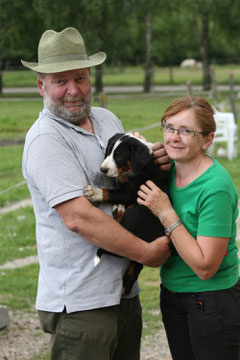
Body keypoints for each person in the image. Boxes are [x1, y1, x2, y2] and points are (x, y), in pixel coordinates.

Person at [21, 27, 171, 360]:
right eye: (60, 81)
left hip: (123, 294)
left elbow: (128, 179)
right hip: (82, 303)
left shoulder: (105, 119)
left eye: (81, 78)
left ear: (91, 79)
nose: (73, 90)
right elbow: (78, 218)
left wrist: (154, 161)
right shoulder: (47, 140)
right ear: (41, 85)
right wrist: (146, 253)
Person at [137, 95, 240, 360]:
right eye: (169, 127)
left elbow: (206, 267)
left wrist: (166, 212)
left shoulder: (215, 187)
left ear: (207, 139)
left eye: (186, 131)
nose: (173, 137)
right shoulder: (166, 170)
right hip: (172, 293)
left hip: (211, 301)